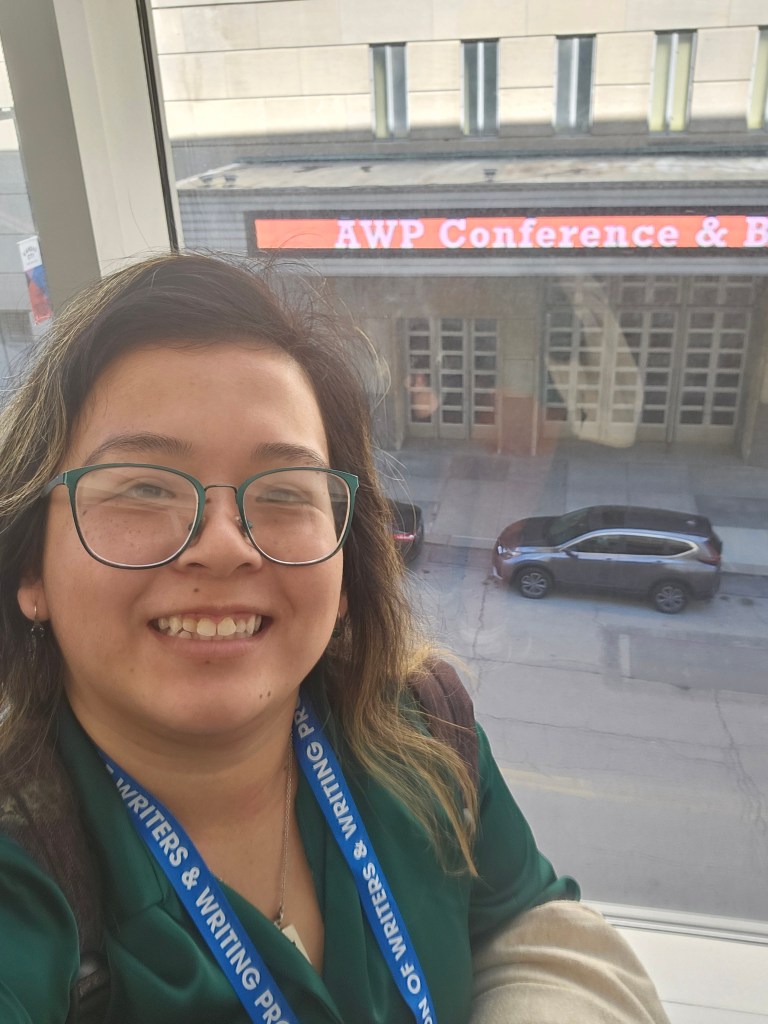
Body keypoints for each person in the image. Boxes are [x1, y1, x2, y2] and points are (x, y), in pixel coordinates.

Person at [0, 252, 667, 1024]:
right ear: (30, 571)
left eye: (284, 492)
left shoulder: (421, 729)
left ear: (346, 570)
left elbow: (530, 925)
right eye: (145, 487)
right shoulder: (25, 870)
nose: (224, 544)